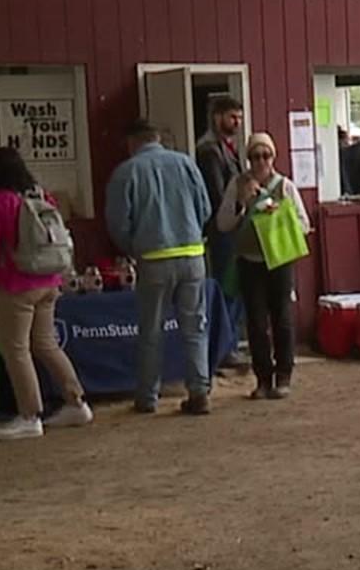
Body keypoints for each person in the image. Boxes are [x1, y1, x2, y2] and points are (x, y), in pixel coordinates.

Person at [0, 147, 91, 440]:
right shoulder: (39, 195)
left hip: (14, 285)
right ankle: (77, 403)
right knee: (46, 344)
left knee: (16, 349)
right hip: (49, 279)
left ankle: (29, 415)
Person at [106, 118, 215, 416]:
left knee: (151, 331)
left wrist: (135, 248)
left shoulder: (126, 171)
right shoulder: (185, 163)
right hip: (193, 255)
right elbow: (205, 208)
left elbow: (117, 223)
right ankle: (199, 392)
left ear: (132, 142)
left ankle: (148, 397)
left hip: (153, 259)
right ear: (157, 138)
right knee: (195, 328)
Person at [216, 132, 312, 399]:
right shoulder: (238, 185)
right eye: (255, 156)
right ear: (248, 159)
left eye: (266, 155)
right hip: (249, 261)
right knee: (256, 323)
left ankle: (284, 374)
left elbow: (304, 224)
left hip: (279, 261)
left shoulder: (285, 186)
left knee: (282, 319)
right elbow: (223, 224)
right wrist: (241, 204)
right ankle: (262, 378)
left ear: (274, 157)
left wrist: (279, 215)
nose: (261, 162)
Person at [194, 94, 248, 370]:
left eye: (238, 117)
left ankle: (232, 342)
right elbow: (216, 192)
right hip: (222, 226)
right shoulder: (209, 151)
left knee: (235, 286)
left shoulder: (227, 147)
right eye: (231, 117)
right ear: (217, 117)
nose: (236, 122)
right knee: (227, 287)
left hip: (233, 224)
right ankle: (225, 347)